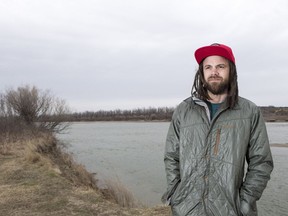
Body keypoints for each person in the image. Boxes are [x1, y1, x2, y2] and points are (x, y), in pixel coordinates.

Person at [162, 43, 273, 216]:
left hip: (232, 210)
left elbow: (261, 162)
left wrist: (245, 202)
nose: (214, 72)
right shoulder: (183, 111)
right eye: (208, 67)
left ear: (231, 71)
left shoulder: (249, 111)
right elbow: (171, 157)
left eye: (220, 66)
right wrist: (176, 193)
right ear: (202, 72)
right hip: (186, 210)